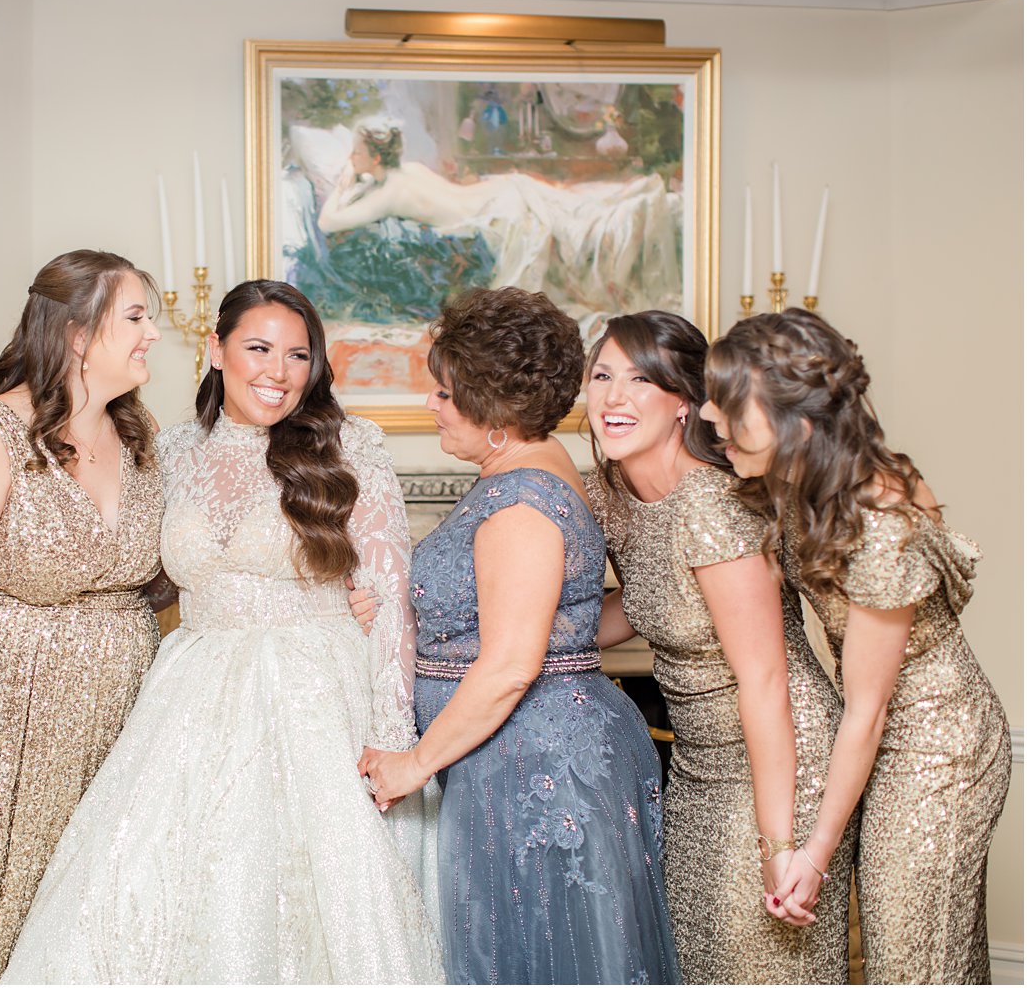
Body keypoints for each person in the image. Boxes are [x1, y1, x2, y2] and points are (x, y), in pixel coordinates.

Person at [0, 280, 443, 984]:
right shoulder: (168, 451)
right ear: (216, 349)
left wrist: (391, 733)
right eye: (259, 348)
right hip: (193, 694)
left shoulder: (350, 444)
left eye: (298, 355)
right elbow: (142, 573)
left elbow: (390, 596)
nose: (278, 370)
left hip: (318, 691)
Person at [359, 287, 679, 985]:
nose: (431, 406)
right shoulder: (551, 472)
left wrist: (412, 764)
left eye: (444, 393)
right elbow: (567, 620)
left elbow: (509, 664)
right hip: (524, 750)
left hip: (533, 764)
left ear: (491, 409)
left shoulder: (521, 504)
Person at [702, 309, 1010, 984]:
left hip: (940, 741)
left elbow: (868, 710)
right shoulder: (801, 483)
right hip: (888, 724)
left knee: (911, 957)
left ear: (800, 423)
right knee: (929, 945)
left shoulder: (875, 521)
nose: (709, 415)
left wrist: (813, 852)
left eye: (729, 404)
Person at [0, 250, 166, 983]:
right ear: (79, 334)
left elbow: (161, 583)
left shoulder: (140, 437)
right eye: (136, 316)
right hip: (6, 730)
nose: (152, 335)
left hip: (119, 733)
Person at [582, 310, 853, 982]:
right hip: (700, 763)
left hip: (780, 758)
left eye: (640, 380)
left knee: (757, 961)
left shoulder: (712, 504)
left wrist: (780, 842)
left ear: (683, 402)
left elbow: (766, 678)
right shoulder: (615, 493)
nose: (613, 398)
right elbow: (640, 607)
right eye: (602, 375)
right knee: (701, 960)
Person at [313, 123, 680, 338]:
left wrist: (343, 187)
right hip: (506, 191)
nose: (351, 159)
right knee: (582, 212)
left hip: (503, 216)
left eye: (357, 153)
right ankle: (630, 206)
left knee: (585, 230)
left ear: (375, 158)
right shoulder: (407, 172)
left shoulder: (388, 193)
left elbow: (327, 222)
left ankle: (632, 214)